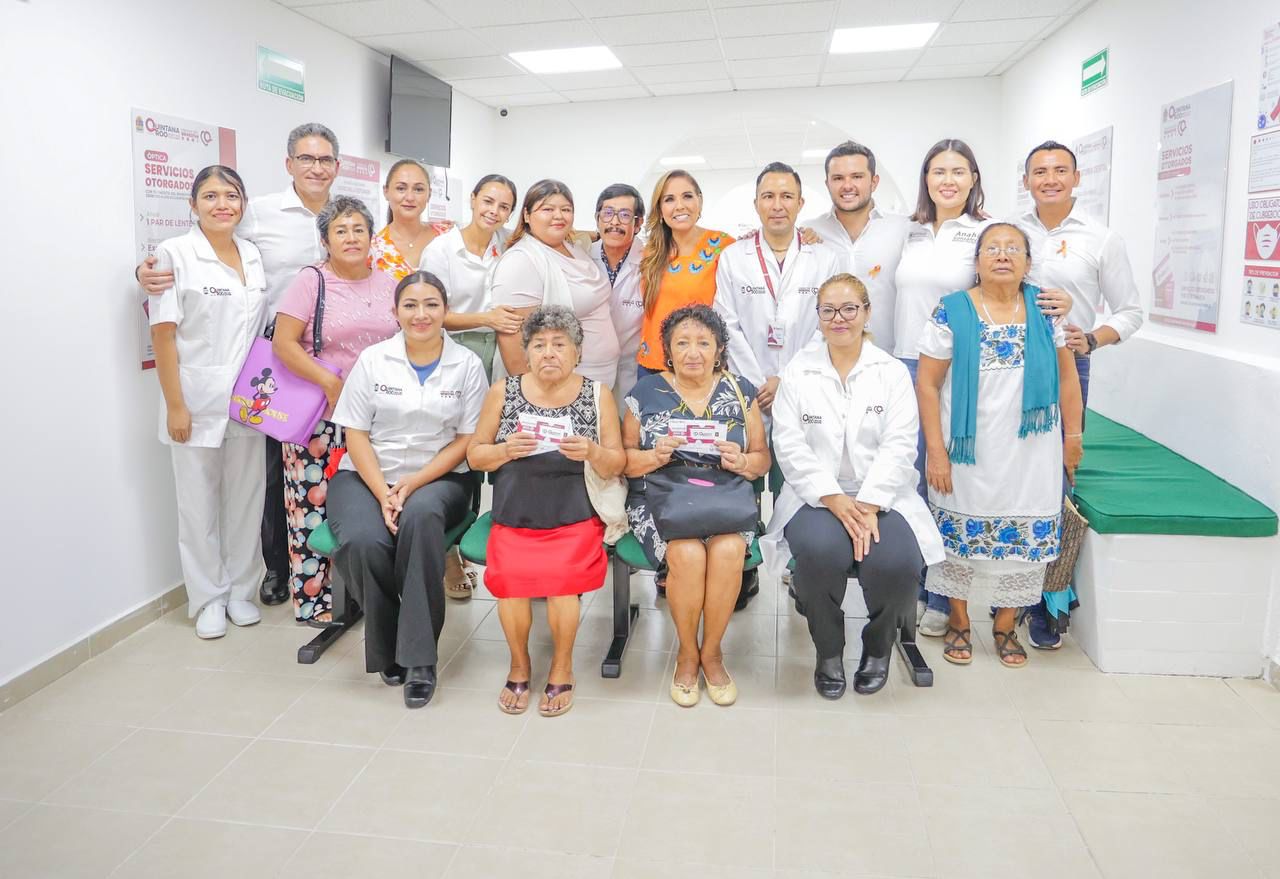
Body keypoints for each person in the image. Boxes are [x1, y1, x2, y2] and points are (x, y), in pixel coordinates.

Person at [138, 123, 341, 609]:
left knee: (265, 488)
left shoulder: (330, 221)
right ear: (289, 163)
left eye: (324, 159)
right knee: (231, 493)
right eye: (306, 158)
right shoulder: (255, 219)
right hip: (253, 370)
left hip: (278, 378)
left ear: (336, 166)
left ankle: (247, 588)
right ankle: (221, 594)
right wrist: (143, 271)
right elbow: (166, 312)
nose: (223, 205)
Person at [897, 139, 1070, 637]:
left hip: (976, 375)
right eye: (937, 171)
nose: (947, 180)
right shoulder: (906, 230)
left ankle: (962, 606)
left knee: (968, 485)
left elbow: (1033, 286)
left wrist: (1060, 303)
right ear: (925, 179)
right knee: (923, 485)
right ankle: (928, 595)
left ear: (974, 178)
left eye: (958, 171)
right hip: (915, 362)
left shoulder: (988, 231)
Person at [764, 274, 944, 696]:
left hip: (882, 494)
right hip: (816, 494)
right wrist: (833, 498)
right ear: (818, 317)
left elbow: (900, 444)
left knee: (897, 562)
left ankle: (878, 648)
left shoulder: (891, 372)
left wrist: (868, 503)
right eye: (828, 310)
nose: (839, 318)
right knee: (820, 554)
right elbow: (788, 444)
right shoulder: (798, 371)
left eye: (849, 309)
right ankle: (829, 650)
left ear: (866, 312)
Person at [915, 223, 1084, 669]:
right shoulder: (951, 311)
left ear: (1028, 262)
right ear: (977, 261)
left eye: (1013, 248)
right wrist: (936, 452)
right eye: (992, 248)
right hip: (967, 451)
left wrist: (1073, 438)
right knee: (958, 541)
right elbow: (928, 385)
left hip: (1032, 451)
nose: (1003, 255)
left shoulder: (1047, 311)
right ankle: (959, 621)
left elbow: (1068, 379)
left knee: (1023, 543)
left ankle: (1006, 625)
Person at [327, 271, 488, 708]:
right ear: (395, 311)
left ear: (446, 310)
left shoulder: (467, 365)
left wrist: (414, 483)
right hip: (367, 475)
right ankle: (391, 638)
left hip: (440, 478)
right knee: (363, 540)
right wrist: (383, 492)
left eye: (431, 304)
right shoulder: (373, 360)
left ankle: (419, 659)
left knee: (421, 518)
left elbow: (466, 440)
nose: (421, 314)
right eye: (411, 305)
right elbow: (356, 434)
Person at [467, 306, 627, 717]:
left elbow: (616, 463)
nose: (549, 353)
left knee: (561, 583)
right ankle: (519, 664)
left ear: (578, 352)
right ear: (526, 353)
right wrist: (505, 450)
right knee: (510, 583)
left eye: (559, 344)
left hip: (574, 513)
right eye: (539, 345)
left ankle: (561, 665)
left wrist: (591, 451)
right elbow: (475, 455)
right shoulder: (504, 391)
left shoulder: (597, 394)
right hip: (515, 513)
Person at [1018, 140, 1144, 648]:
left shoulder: (1101, 238)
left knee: (1059, 478)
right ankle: (1009, 589)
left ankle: (1049, 600)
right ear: (1026, 181)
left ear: (1076, 178)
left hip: (1069, 367)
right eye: (1039, 171)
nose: (1049, 179)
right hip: (1005, 366)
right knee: (1012, 475)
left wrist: (1090, 338)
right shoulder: (1009, 230)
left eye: (1059, 170)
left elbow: (1130, 312)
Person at [623, 305, 771, 707]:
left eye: (704, 343)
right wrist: (654, 456)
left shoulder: (740, 391)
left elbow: (762, 459)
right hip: (659, 497)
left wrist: (741, 461)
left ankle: (713, 653)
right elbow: (623, 461)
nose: (693, 352)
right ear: (668, 351)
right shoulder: (644, 393)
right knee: (686, 554)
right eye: (682, 343)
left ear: (719, 349)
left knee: (729, 549)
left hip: (726, 497)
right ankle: (688, 654)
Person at [147, 166, 268, 639]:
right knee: (197, 505)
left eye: (232, 195)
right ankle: (208, 598)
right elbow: (163, 335)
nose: (223, 204)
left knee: (246, 500)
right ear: (193, 204)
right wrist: (176, 405)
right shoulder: (174, 253)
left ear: (243, 203)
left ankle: (241, 590)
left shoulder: (252, 253)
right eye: (211, 196)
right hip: (195, 400)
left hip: (249, 401)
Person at [272, 196, 399, 624]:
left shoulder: (388, 284)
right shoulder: (311, 281)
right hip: (320, 415)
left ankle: (360, 591)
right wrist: (329, 382)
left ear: (371, 237)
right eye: (340, 231)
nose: (351, 237)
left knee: (363, 504)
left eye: (359, 229)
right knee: (312, 505)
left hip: (375, 417)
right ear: (325, 240)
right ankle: (315, 600)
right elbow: (283, 343)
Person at [714, 161, 845, 411]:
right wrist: (756, 385)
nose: (777, 206)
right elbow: (726, 325)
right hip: (751, 391)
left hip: (806, 385)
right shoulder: (733, 257)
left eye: (786, 196)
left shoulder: (825, 259)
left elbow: (827, 327)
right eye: (768, 196)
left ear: (800, 203)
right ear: (756, 204)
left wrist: (786, 379)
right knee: (754, 438)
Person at [488, 179, 620, 386]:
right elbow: (513, 343)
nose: (558, 216)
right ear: (527, 215)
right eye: (547, 209)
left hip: (600, 377)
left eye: (566, 209)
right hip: (558, 386)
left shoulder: (574, 248)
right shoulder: (520, 261)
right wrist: (536, 395)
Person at [801, 141, 910, 352]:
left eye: (857, 176)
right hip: (826, 357)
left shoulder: (903, 228)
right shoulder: (809, 232)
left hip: (888, 357)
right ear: (827, 184)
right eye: (838, 178)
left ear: (874, 182)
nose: (847, 185)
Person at [421, 173, 523, 378]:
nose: (494, 211)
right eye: (488, 201)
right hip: (456, 345)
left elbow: (544, 234)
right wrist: (487, 319)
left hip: (502, 346)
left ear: (510, 214)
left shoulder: (510, 242)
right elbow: (431, 314)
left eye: (504, 207)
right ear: (473, 200)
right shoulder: (440, 250)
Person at [636, 170, 735, 378]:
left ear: (700, 200)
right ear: (660, 209)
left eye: (687, 196)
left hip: (700, 365)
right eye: (669, 199)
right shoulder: (651, 252)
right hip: (653, 365)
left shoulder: (724, 246)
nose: (679, 206)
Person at [590, 183, 646, 398]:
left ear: (638, 223)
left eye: (624, 215)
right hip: (588, 367)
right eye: (607, 213)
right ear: (597, 219)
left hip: (632, 370)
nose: (614, 222)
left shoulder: (651, 262)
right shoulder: (581, 257)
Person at [369, 158, 450, 280]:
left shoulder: (447, 235)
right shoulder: (373, 249)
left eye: (418, 189)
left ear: (429, 194)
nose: (410, 197)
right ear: (386, 192)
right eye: (401, 188)